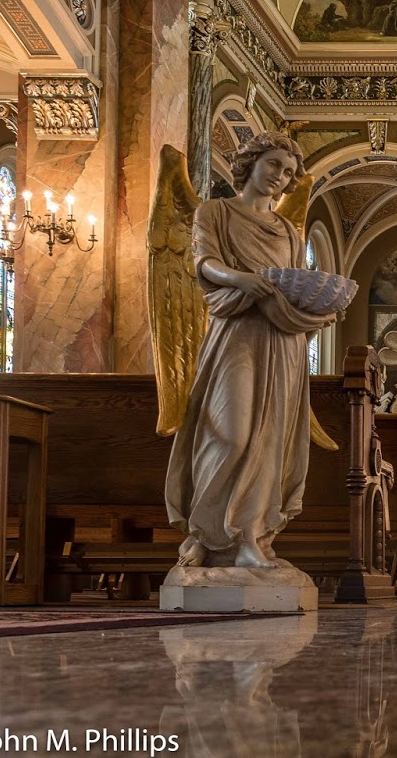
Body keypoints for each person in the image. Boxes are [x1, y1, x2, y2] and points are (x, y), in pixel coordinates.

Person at [166, 132, 332, 570]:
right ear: (252, 162)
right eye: (275, 165)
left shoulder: (288, 233)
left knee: (270, 442)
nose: (281, 177)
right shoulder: (214, 212)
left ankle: (250, 539)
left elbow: (294, 290)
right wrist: (241, 279)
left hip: (282, 343)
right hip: (236, 333)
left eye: (290, 173)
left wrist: (317, 312)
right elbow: (203, 263)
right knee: (232, 433)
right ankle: (204, 533)